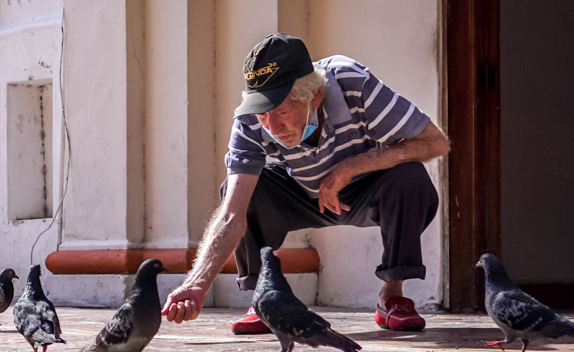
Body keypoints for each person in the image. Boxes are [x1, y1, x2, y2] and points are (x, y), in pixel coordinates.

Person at [162, 33, 450, 333]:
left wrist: (350, 167)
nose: (272, 127)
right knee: (241, 193)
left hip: (366, 191)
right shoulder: (249, 121)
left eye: (282, 112)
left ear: (315, 96)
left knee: (409, 177)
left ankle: (392, 295)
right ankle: (264, 299)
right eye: (263, 115)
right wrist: (196, 285)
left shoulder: (352, 83)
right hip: (301, 193)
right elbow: (232, 215)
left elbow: (436, 143)